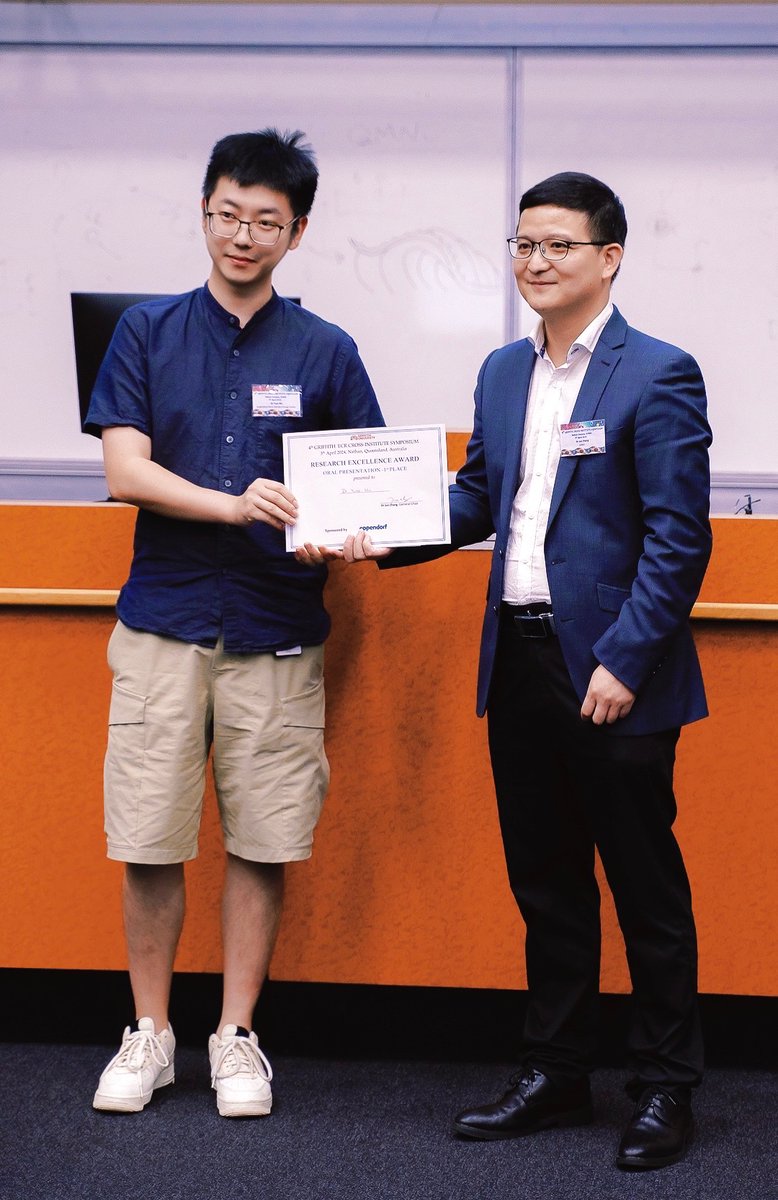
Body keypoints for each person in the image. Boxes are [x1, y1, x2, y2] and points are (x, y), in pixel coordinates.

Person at [335, 172, 712, 1170]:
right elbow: (473, 502)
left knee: (644, 884)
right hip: (520, 658)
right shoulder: (503, 371)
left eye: (557, 245)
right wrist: (370, 530)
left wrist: (626, 658)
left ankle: (666, 1086)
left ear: (608, 257)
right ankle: (556, 1071)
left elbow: (678, 538)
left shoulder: (658, 373)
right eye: (522, 245)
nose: (534, 262)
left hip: (612, 670)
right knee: (545, 881)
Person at [84, 129, 384, 1117]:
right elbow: (124, 472)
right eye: (226, 213)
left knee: (263, 838)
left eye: (265, 221)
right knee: (149, 837)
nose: (241, 235)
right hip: (164, 622)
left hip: (277, 630)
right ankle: (150, 1032)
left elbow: (363, 493)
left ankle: (236, 1035)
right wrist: (236, 504)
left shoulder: (326, 349)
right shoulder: (146, 334)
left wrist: (338, 535)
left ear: (297, 232)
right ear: (203, 210)